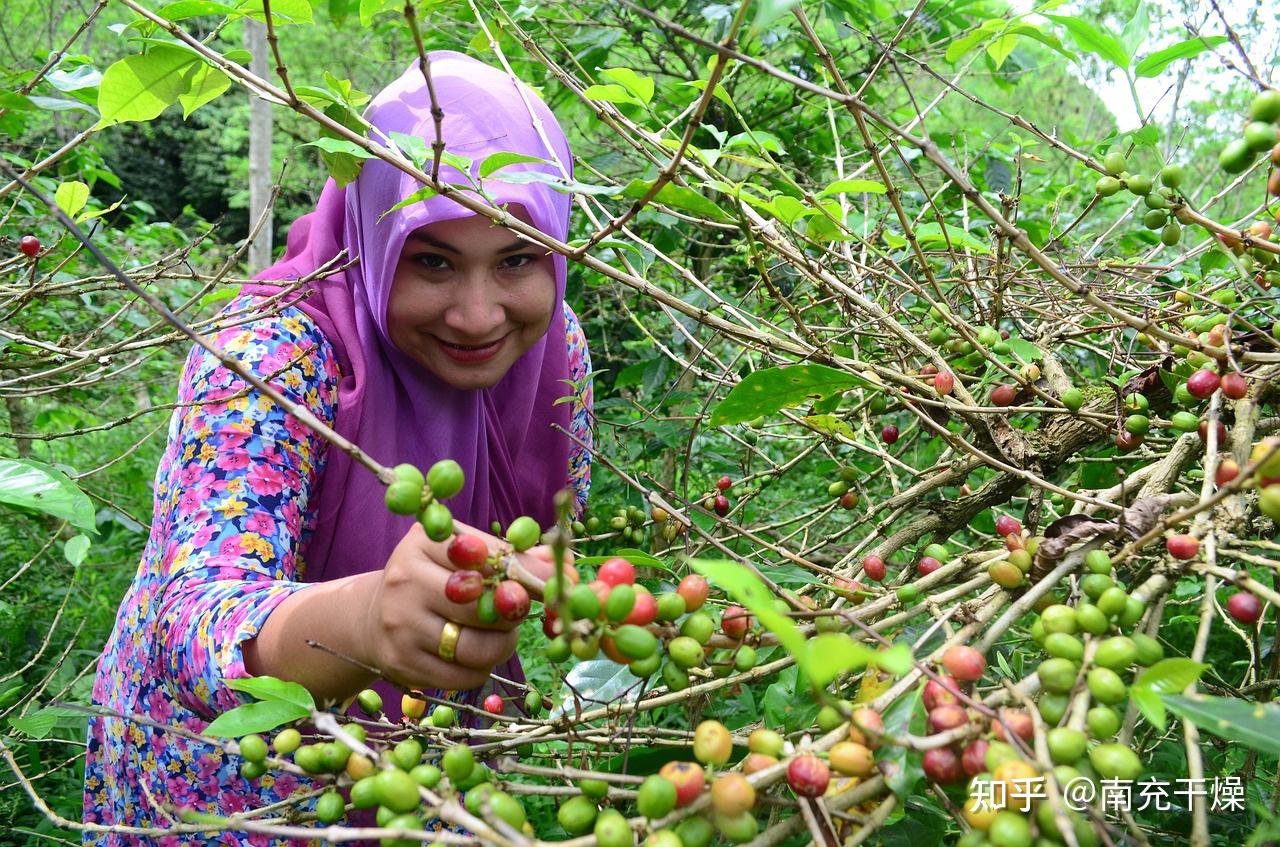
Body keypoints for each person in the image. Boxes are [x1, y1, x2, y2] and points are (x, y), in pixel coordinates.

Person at [81, 50, 593, 845]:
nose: (477, 314)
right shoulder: (271, 358)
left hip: (420, 767)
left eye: (519, 258)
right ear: (369, 237)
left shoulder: (556, 356)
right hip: (228, 790)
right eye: (431, 260)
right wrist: (364, 621)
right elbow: (188, 620)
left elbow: (551, 545)